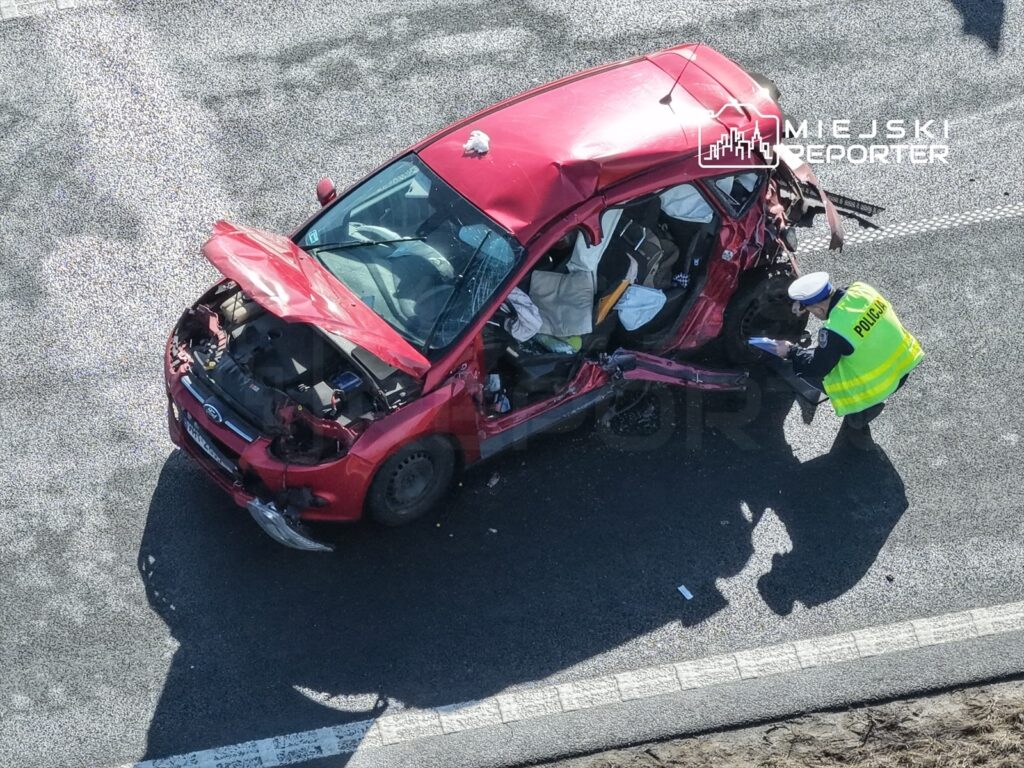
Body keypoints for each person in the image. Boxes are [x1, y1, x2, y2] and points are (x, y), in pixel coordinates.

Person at [772, 272, 923, 439]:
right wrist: (804, 304)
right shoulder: (862, 289)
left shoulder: (835, 330)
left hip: (877, 386)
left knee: (807, 364)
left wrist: (791, 352)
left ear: (819, 309)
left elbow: (817, 366)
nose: (813, 314)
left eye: (812, 312)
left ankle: (862, 414)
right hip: (904, 363)